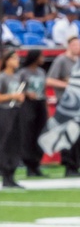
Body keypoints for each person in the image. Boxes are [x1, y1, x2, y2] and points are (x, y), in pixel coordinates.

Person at [0, 49, 25, 188]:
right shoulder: (1, 77)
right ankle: (5, 174)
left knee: (14, 143)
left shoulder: (17, 77)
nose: (17, 61)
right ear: (7, 60)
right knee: (5, 143)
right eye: (15, 58)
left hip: (15, 111)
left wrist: (20, 98)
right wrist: (12, 96)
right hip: (3, 112)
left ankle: (12, 172)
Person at [48, 36, 80, 177]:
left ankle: (76, 165)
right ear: (70, 45)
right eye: (76, 45)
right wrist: (68, 84)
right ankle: (68, 166)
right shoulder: (61, 60)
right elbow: (49, 80)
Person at [19, 49, 47, 178]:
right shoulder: (23, 73)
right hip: (28, 104)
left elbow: (43, 89)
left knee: (40, 133)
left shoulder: (41, 72)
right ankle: (29, 164)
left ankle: (37, 162)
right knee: (28, 133)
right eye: (41, 56)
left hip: (40, 103)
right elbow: (17, 89)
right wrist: (26, 93)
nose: (43, 58)